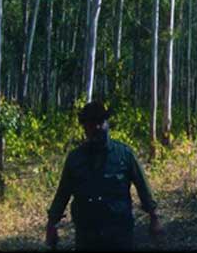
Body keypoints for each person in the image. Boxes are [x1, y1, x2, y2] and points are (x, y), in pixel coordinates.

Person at [45, 101, 164, 251]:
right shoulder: (75, 159)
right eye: (91, 123)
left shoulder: (124, 155)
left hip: (119, 233)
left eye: (100, 122)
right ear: (84, 127)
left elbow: (143, 186)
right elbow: (63, 193)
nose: (97, 127)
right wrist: (51, 224)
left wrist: (155, 217)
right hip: (87, 235)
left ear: (107, 123)